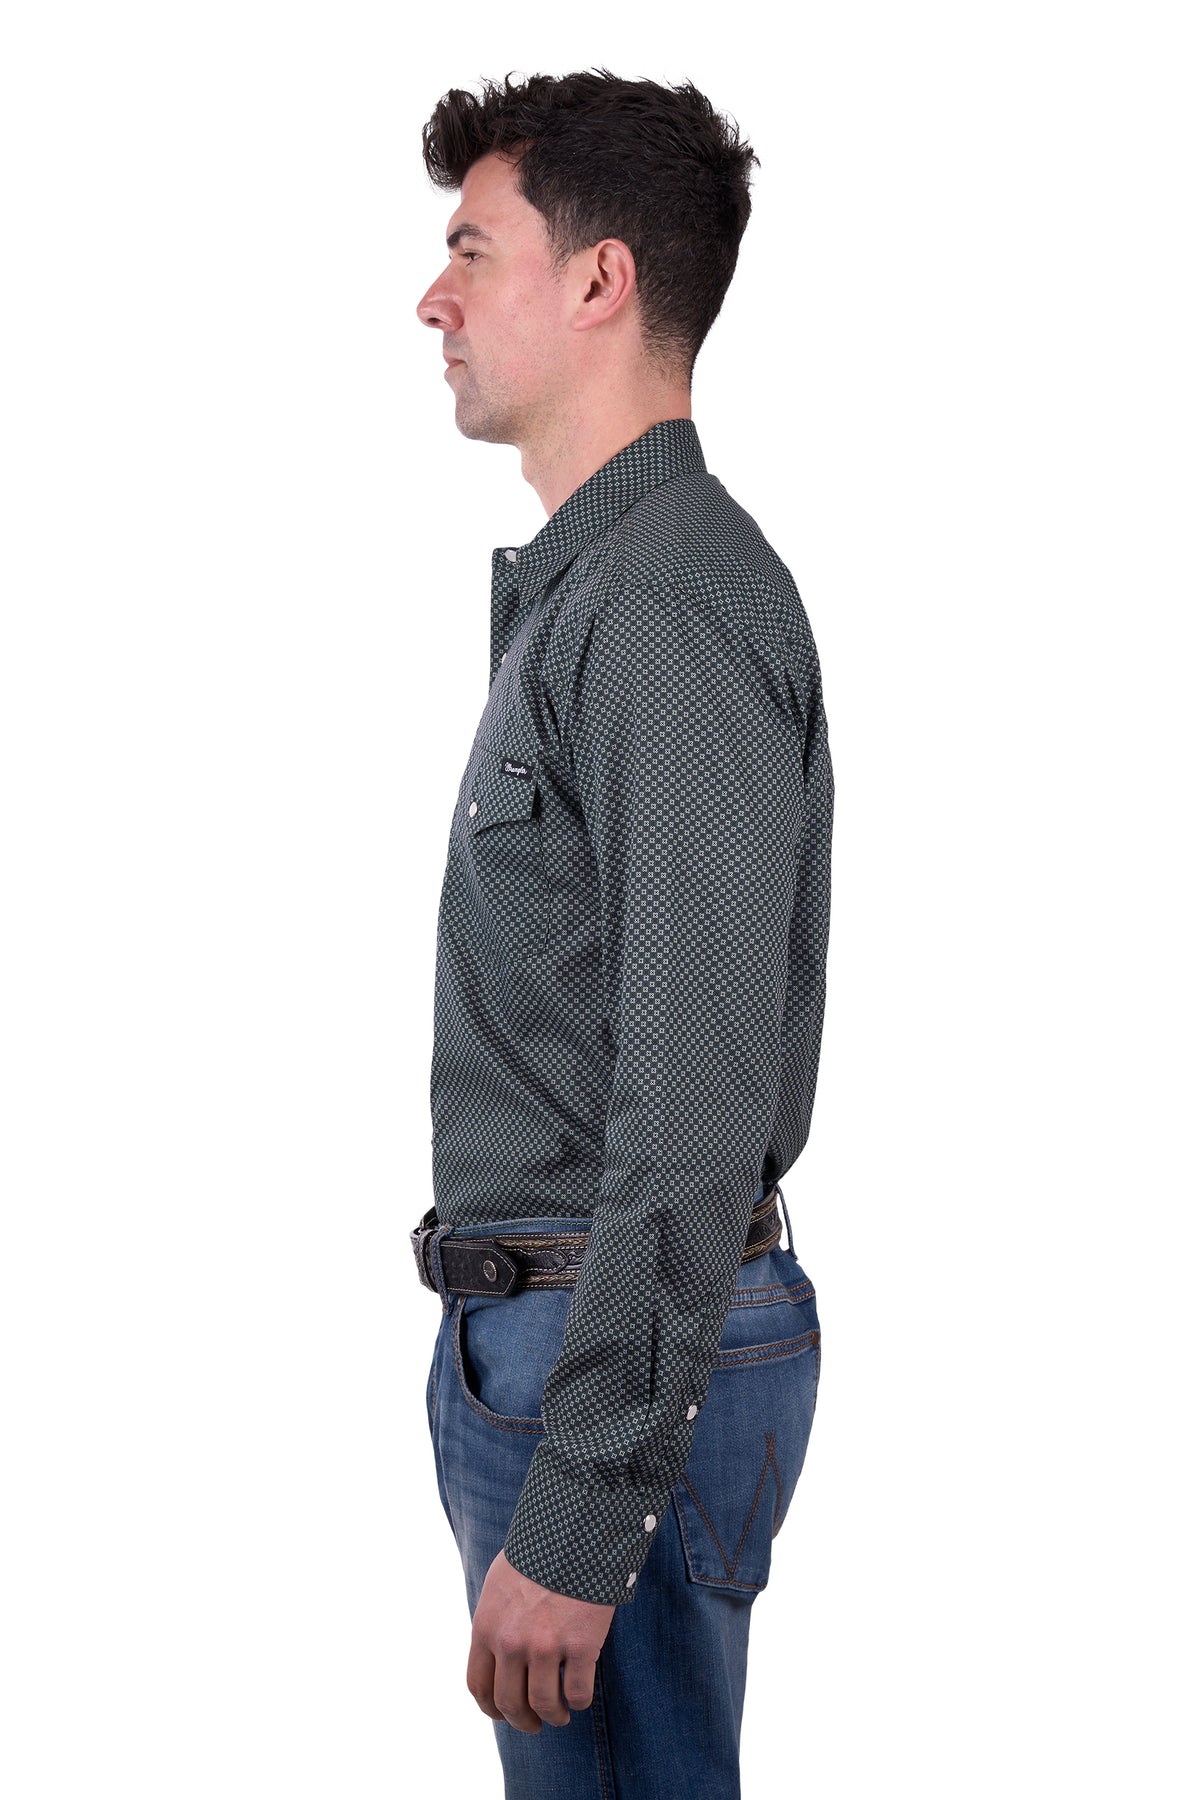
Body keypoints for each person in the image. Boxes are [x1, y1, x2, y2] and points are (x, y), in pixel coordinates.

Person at [411, 68, 834, 1798]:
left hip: (607, 1359)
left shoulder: (658, 604)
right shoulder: (604, 588)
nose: (431, 300)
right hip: (572, 1340)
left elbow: (695, 1098)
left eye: (471, 250)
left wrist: (585, 1508)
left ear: (599, 280)